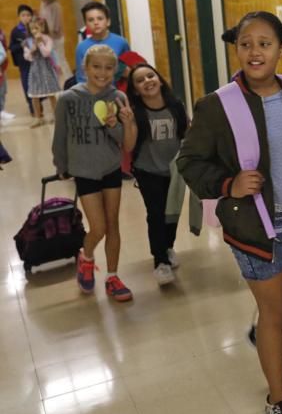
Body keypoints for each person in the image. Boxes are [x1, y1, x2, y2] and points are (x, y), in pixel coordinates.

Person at [177, 11, 282, 414]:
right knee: (273, 311)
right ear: (236, 49)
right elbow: (189, 162)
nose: (255, 52)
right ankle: (279, 401)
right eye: (246, 43)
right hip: (254, 227)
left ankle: (266, 338)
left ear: (281, 49)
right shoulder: (218, 105)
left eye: (265, 43)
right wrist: (228, 184)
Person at [53, 45, 137, 302]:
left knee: (113, 225)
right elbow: (61, 136)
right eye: (96, 67)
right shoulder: (68, 98)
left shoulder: (118, 98)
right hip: (84, 170)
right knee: (97, 227)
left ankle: (112, 276)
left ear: (115, 70)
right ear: (85, 68)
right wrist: (61, 165)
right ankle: (86, 257)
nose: (102, 72)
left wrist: (117, 124)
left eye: (108, 67)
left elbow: (126, 144)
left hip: (110, 168)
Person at [126, 63, 188, 286]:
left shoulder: (176, 106)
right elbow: (129, 146)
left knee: (172, 213)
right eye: (140, 80)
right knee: (156, 214)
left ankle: (168, 247)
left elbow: (185, 134)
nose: (147, 81)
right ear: (135, 89)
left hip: (174, 170)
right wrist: (127, 123)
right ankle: (160, 261)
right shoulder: (136, 113)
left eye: (150, 75)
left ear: (159, 79)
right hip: (148, 171)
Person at [75, 2, 131, 84]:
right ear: (86, 24)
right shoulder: (81, 47)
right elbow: (81, 78)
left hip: (117, 93)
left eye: (100, 19)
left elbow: (130, 72)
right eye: (91, 20)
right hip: (93, 94)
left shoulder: (121, 42)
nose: (96, 23)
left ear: (108, 21)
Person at [25, 18, 62, 127]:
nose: (34, 31)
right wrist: (33, 48)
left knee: (51, 94)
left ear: (42, 27)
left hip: (46, 69)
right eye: (32, 28)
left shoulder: (47, 39)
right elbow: (27, 57)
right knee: (34, 95)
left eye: (36, 28)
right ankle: (38, 117)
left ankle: (57, 116)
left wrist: (40, 43)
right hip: (35, 70)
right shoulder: (28, 41)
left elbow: (46, 53)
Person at [34, 0, 71, 84]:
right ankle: (56, 84)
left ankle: (70, 82)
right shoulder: (43, 3)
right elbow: (43, 20)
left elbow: (56, 27)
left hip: (56, 38)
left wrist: (45, 31)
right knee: (53, 62)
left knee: (61, 60)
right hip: (47, 37)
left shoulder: (55, 5)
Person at [9, 5, 34, 115]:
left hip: (36, 62)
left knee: (37, 83)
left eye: (28, 15)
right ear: (19, 16)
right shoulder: (15, 31)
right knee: (26, 83)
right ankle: (31, 106)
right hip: (23, 63)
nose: (26, 18)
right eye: (23, 15)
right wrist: (21, 44)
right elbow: (11, 47)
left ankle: (39, 103)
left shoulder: (35, 28)